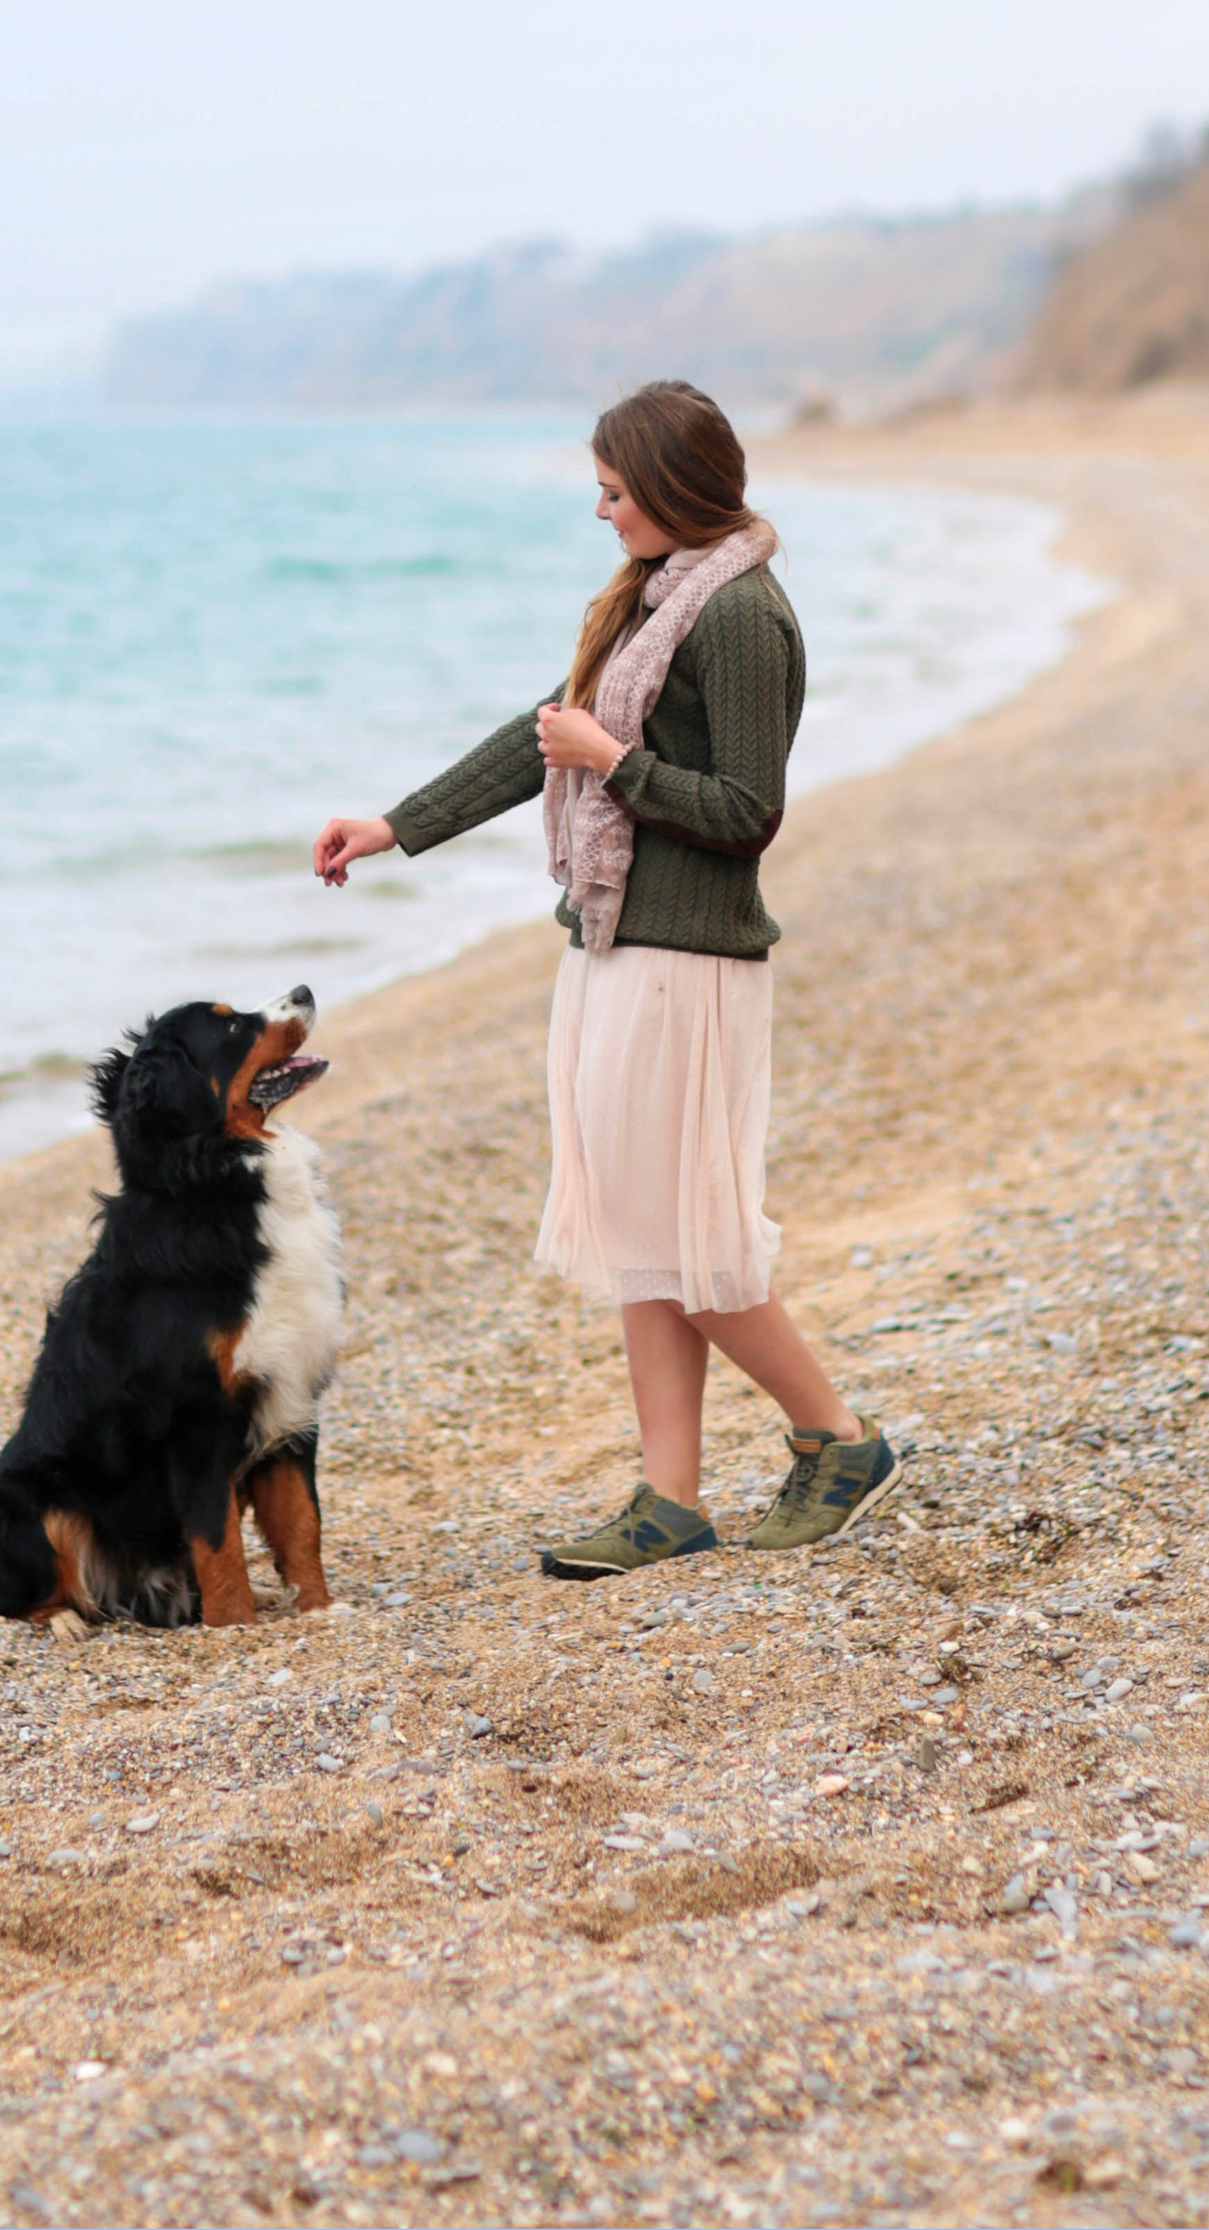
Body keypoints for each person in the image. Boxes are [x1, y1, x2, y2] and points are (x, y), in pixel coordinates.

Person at [313, 377, 896, 1574]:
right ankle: (667, 1500)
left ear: (674, 489)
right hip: (614, 941)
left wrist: (614, 762)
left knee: (691, 1235)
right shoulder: (653, 599)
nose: (600, 512)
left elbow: (747, 812)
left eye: (615, 491)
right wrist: (393, 825)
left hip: (688, 960)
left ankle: (837, 1438)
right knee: (645, 1228)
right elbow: (543, 732)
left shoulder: (738, 617)